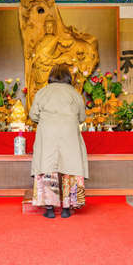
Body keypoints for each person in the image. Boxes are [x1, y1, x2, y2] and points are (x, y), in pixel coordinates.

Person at [29, 64, 88, 218]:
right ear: (68, 77)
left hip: (47, 133)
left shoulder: (42, 92)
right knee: (70, 168)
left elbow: (33, 115)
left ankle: (49, 209)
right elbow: (82, 117)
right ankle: (67, 209)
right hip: (69, 134)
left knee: (48, 167)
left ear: (51, 77)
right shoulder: (75, 93)